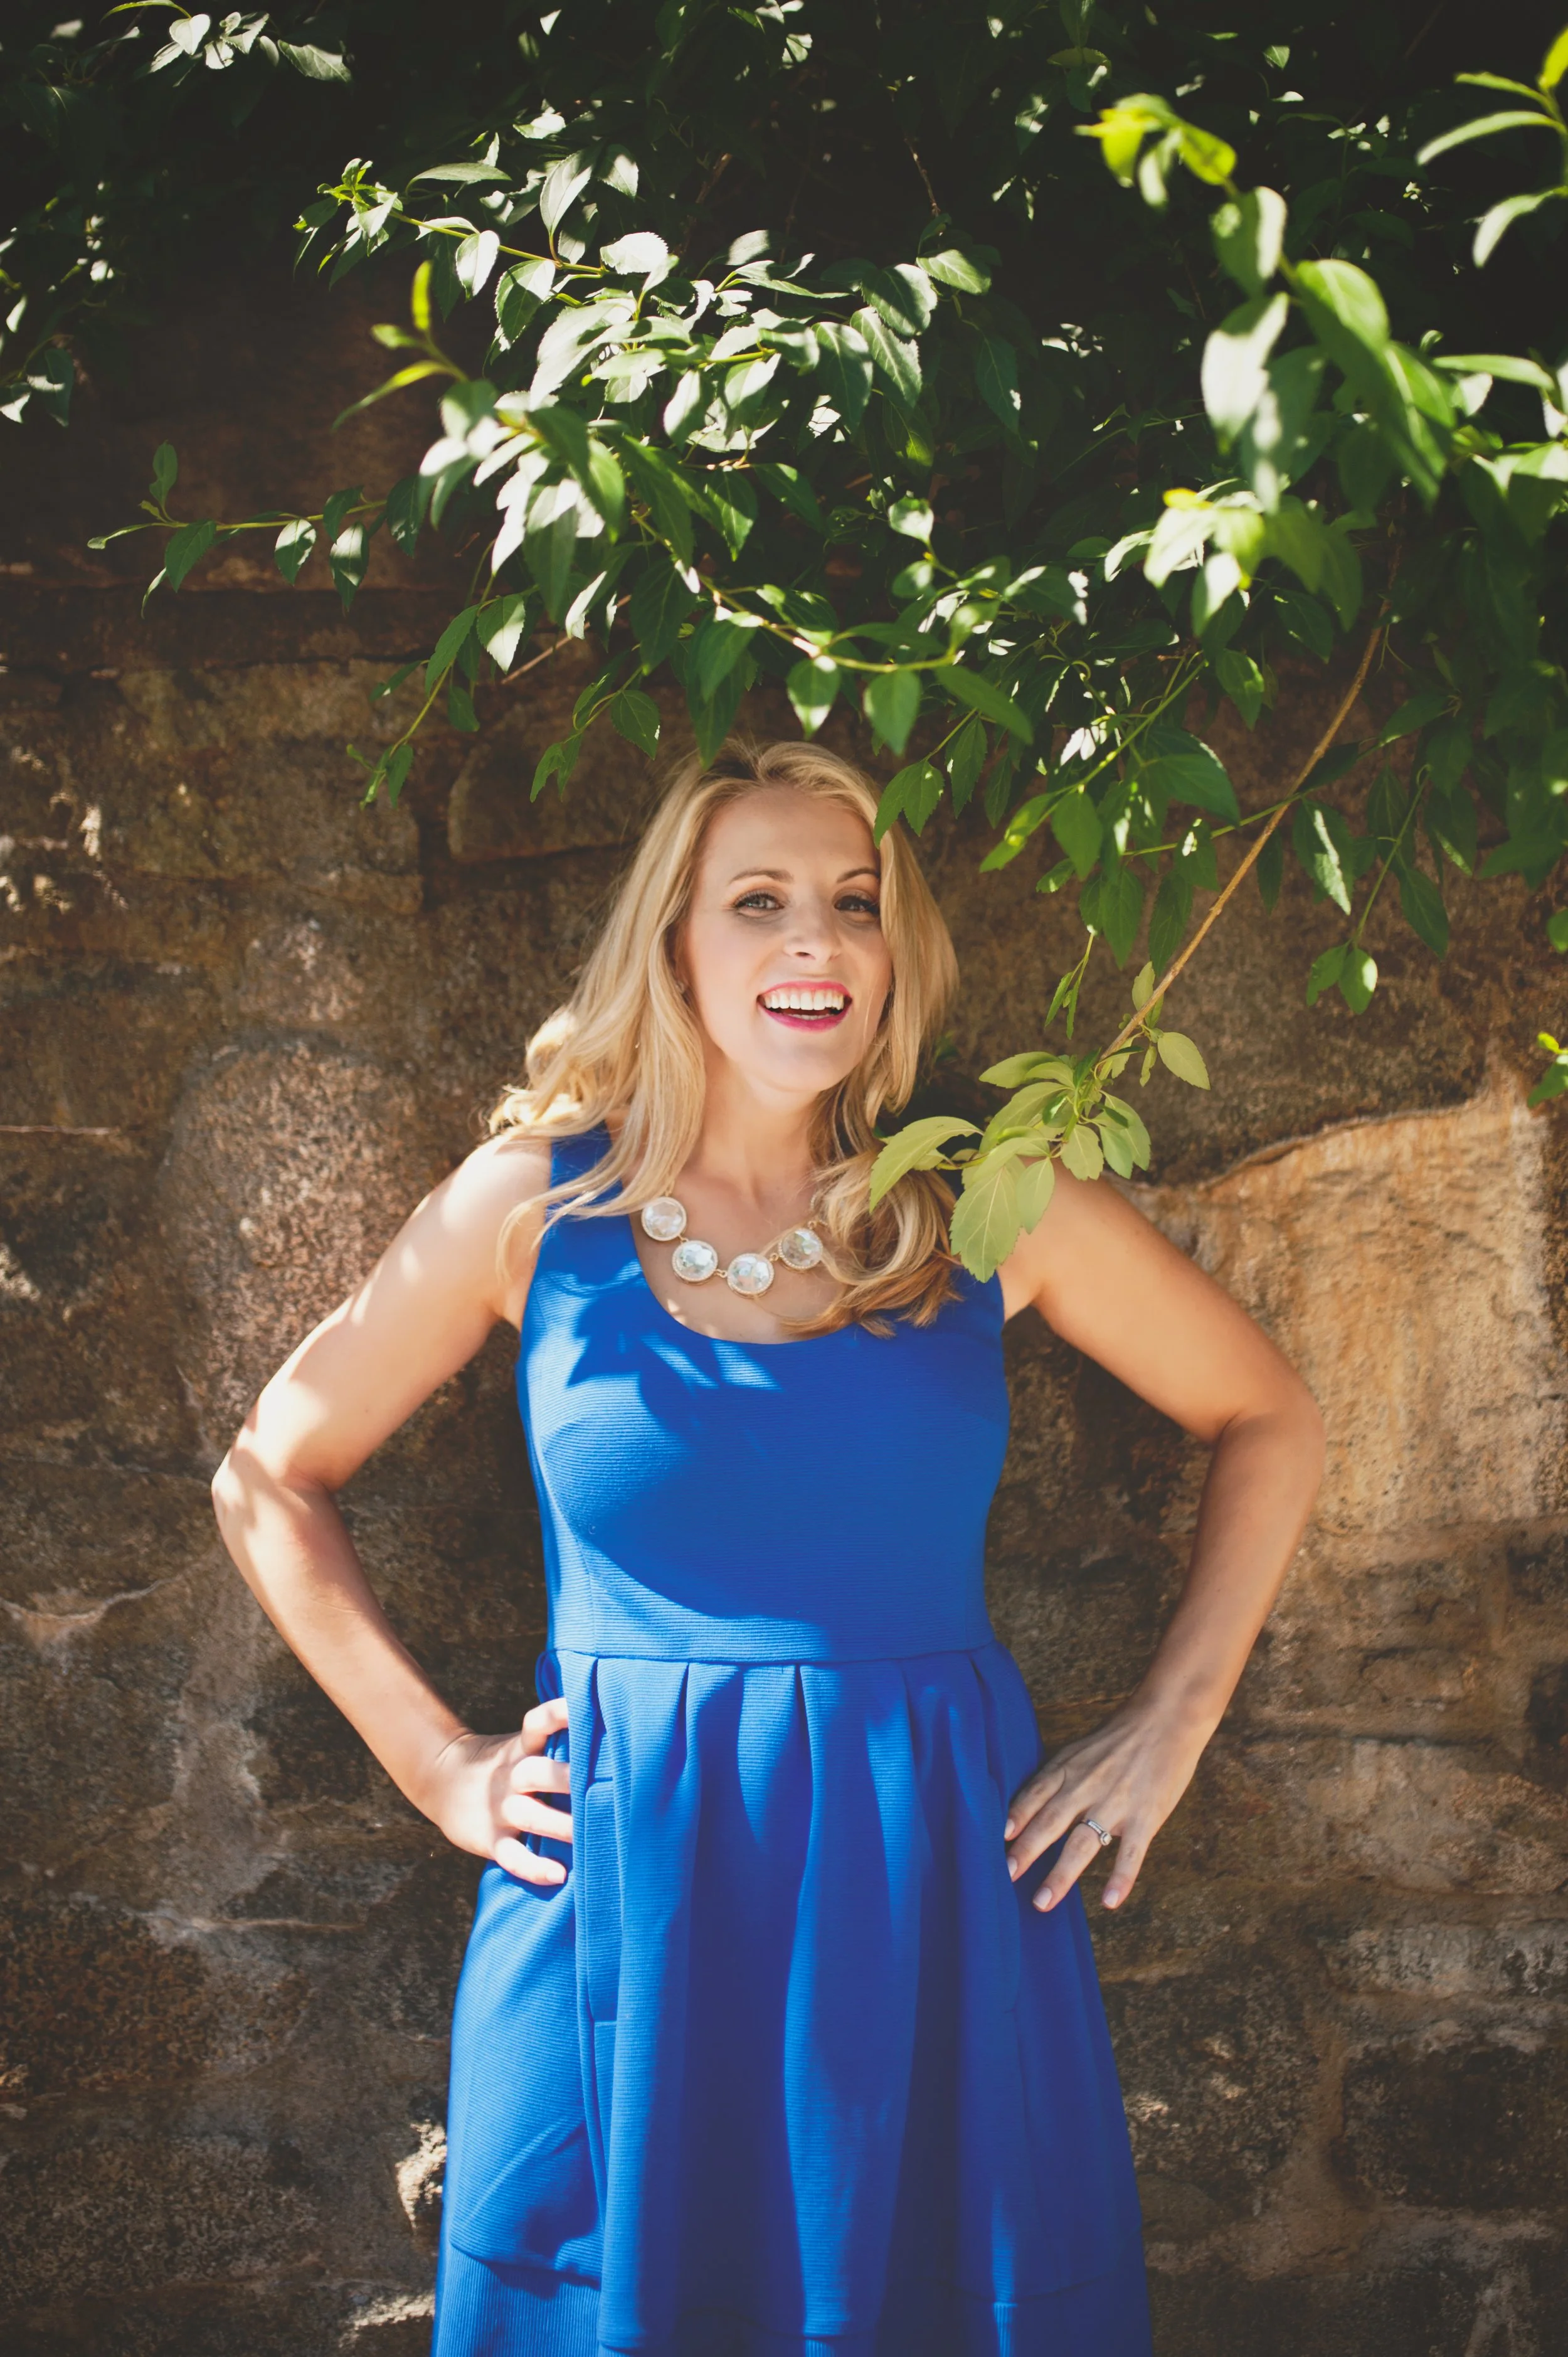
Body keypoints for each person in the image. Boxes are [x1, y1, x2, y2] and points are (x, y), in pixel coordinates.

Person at [212, 735, 1325, 2356]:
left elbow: (1266, 1415)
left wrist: (1170, 1727)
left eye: (852, 903)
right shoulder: (532, 1208)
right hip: (621, 1894)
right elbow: (268, 1474)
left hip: (932, 1886)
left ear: (896, 951)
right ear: (675, 944)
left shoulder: (981, 1205)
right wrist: (439, 1761)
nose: (816, 940)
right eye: (759, 900)